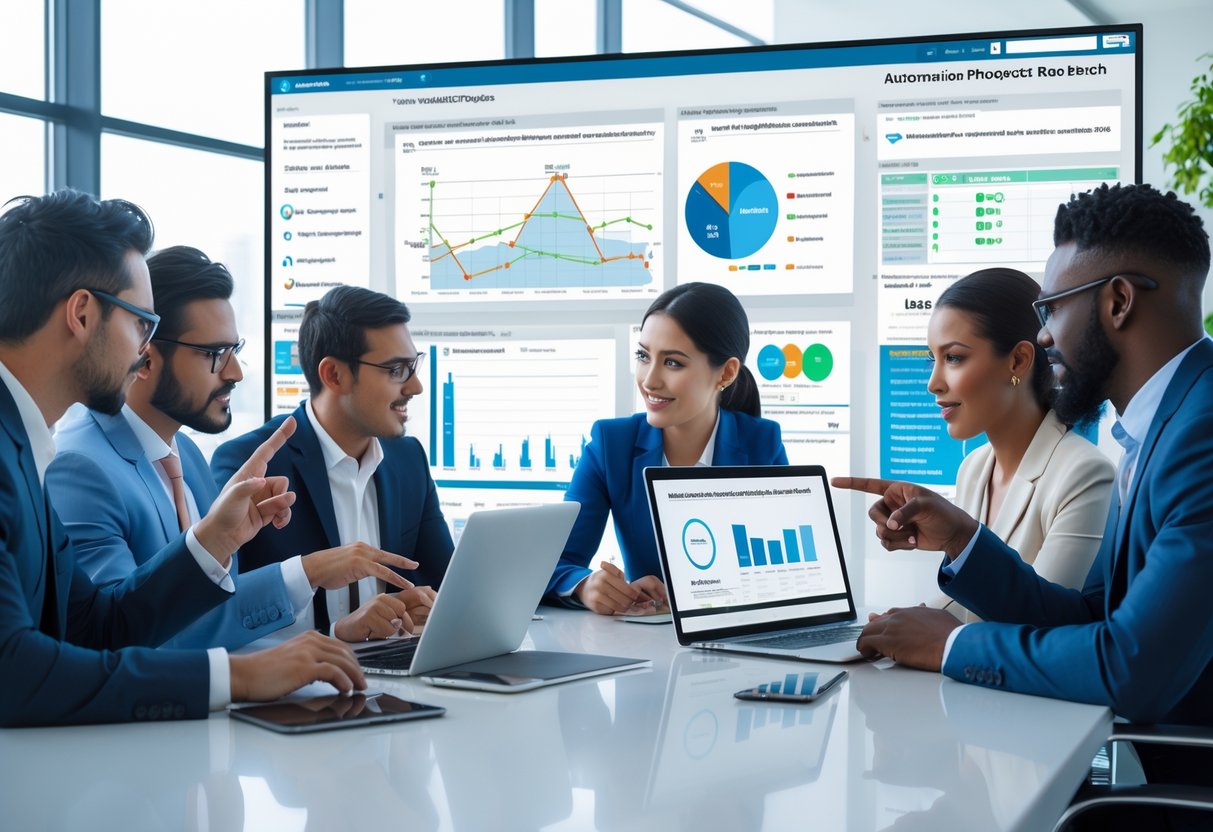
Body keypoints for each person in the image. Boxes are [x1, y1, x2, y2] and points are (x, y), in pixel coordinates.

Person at [836, 183, 1213, 730]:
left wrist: (955, 646)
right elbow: (1089, 618)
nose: (1042, 333)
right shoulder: (1164, 425)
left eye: (1053, 307)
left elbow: (1134, 670)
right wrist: (964, 540)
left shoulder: (1200, 437)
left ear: (1118, 301)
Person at [0, 190, 366, 726]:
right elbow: (13, 672)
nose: (142, 351)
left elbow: (95, 625)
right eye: (140, 324)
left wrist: (213, 539)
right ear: (82, 314)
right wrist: (237, 677)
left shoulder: (26, 447)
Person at [46, 246, 418, 649]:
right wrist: (305, 573)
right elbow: (117, 635)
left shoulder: (186, 456)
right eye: (214, 354)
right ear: (147, 358)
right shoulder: (79, 466)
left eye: (234, 351)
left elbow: (217, 623)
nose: (235, 372)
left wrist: (334, 639)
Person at [212, 286, 452, 642]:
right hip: (296, 691)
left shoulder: (408, 460)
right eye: (396, 370)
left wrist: (421, 607)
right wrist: (336, 633)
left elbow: (447, 584)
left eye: (413, 366)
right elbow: (222, 616)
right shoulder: (249, 465)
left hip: (400, 684)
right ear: (334, 375)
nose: (415, 386)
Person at [547, 282, 788, 615]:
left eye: (673, 363)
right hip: (647, 645)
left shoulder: (761, 444)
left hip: (735, 645)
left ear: (727, 372)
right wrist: (585, 585)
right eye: (644, 356)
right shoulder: (610, 444)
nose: (649, 380)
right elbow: (555, 563)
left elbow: (788, 571)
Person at [923, 268, 1114, 621]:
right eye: (932, 359)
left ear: (1018, 361)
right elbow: (967, 606)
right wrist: (892, 623)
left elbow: (1042, 622)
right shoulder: (974, 468)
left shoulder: (1085, 475)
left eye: (953, 358)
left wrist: (932, 635)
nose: (933, 383)